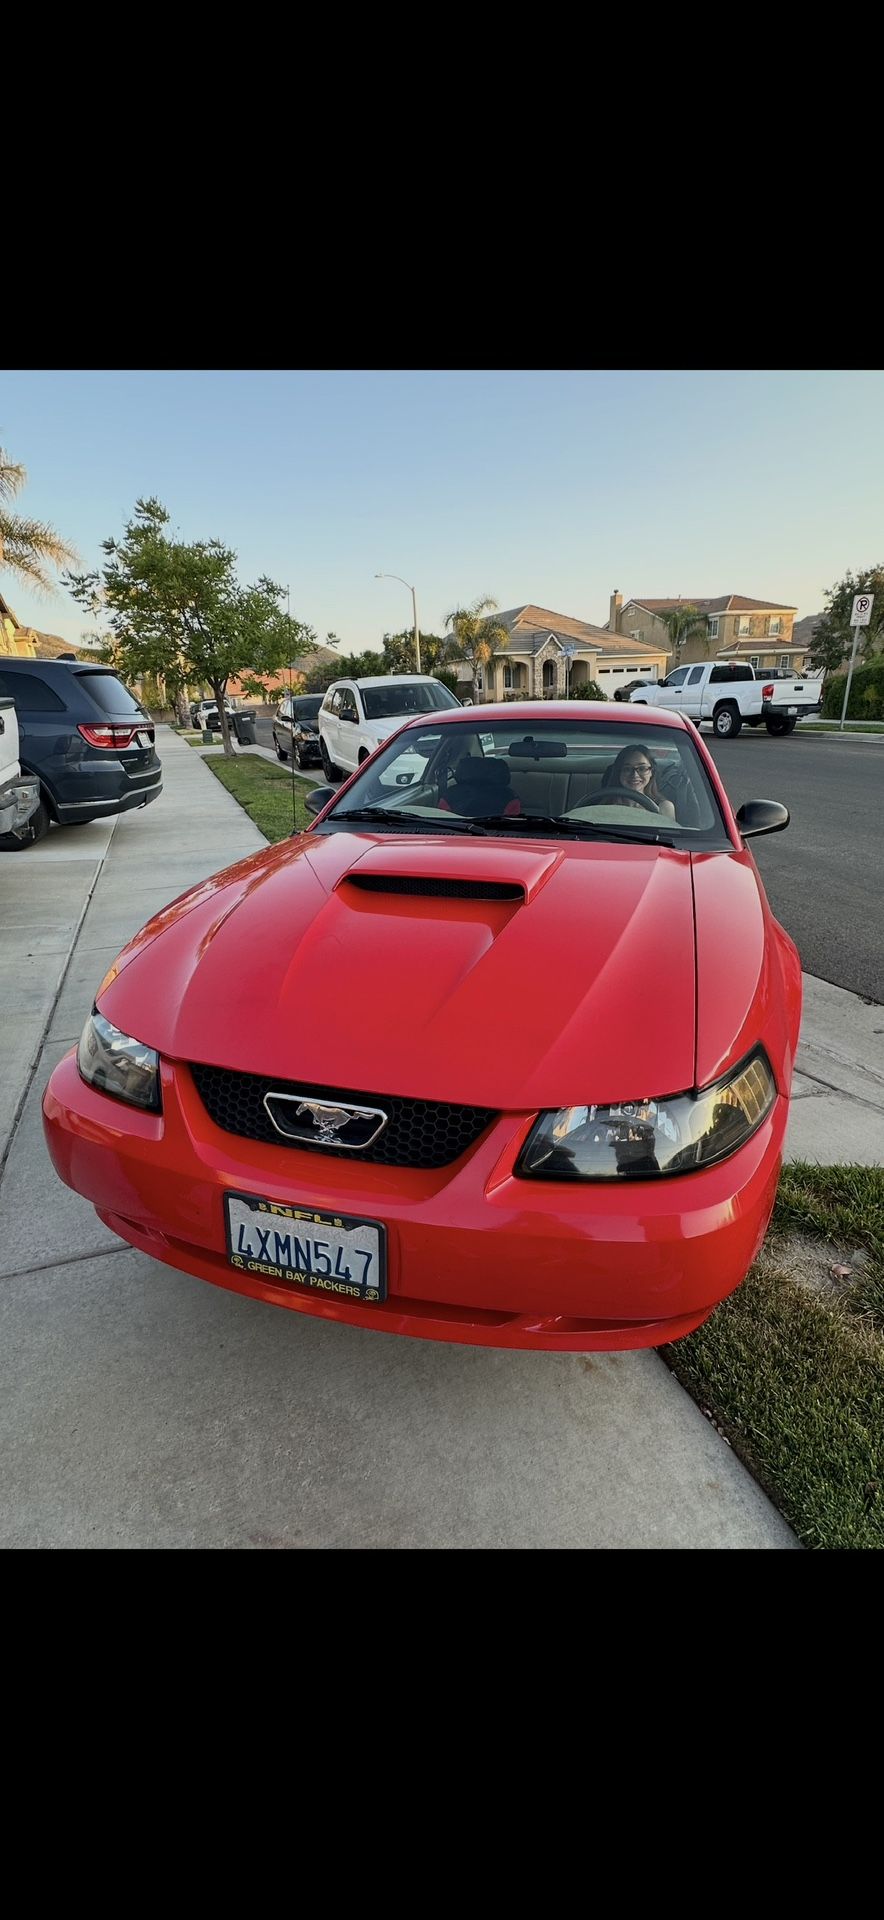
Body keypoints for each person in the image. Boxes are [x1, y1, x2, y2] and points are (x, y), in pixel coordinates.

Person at [601, 745, 676, 818]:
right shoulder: (603, 806)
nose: (635, 775)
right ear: (618, 773)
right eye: (627, 769)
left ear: (651, 772)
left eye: (642, 768)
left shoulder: (664, 807)